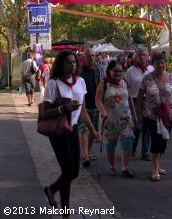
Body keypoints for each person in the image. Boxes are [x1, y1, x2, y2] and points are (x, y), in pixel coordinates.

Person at [41, 50, 101, 219]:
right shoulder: (54, 84)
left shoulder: (80, 82)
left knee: (74, 171)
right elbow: (45, 113)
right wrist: (63, 108)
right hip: (58, 131)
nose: (72, 65)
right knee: (68, 170)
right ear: (61, 64)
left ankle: (51, 189)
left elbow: (82, 110)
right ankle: (65, 213)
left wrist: (92, 130)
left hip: (73, 128)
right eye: (68, 62)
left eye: (74, 62)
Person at [136, 51, 172, 181]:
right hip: (152, 115)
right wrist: (139, 112)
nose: (160, 66)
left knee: (164, 139)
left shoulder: (171, 77)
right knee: (156, 139)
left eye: (162, 63)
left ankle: (158, 165)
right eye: (157, 63)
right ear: (153, 64)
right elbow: (140, 96)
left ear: (166, 64)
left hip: (167, 115)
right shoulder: (147, 78)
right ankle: (154, 168)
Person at [95, 59, 137, 177]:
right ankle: (111, 166)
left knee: (127, 142)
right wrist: (102, 111)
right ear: (109, 71)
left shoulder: (125, 83)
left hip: (125, 118)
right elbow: (97, 99)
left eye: (120, 71)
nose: (118, 74)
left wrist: (134, 116)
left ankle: (125, 167)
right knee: (110, 145)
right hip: (109, 120)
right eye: (115, 71)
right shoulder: (104, 83)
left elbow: (129, 100)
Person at [125, 48, 153, 160]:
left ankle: (145, 152)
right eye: (140, 55)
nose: (142, 57)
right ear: (135, 56)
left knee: (147, 128)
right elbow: (127, 88)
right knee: (138, 126)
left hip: (149, 101)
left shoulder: (151, 69)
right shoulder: (130, 71)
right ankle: (134, 145)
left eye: (144, 55)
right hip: (136, 101)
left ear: (147, 56)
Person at [79, 49, 104, 168]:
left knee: (92, 130)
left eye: (93, 55)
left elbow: (103, 85)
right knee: (83, 129)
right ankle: (85, 155)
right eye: (89, 56)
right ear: (84, 57)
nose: (92, 57)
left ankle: (87, 151)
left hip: (94, 105)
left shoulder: (99, 69)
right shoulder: (79, 71)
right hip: (82, 106)